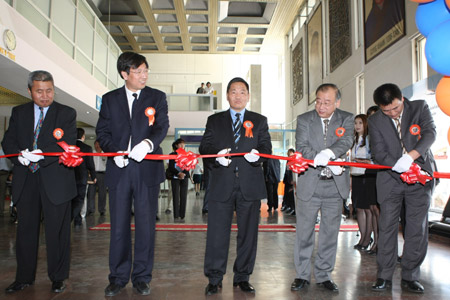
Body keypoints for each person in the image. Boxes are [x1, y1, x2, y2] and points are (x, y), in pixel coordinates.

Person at [96, 52, 169, 297]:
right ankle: (117, 277)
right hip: (119, 169)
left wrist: (147, 144)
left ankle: (141, 277)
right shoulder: (109, 99)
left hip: (146, 168)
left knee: (146, 227)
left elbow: (161, 126)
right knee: (118, 227)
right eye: (138, 71)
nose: (144, 75)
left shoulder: (156, 97)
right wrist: (112, 151)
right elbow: (102, 131)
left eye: (146, 70)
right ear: (124, 74)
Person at [1, 70, 77, 294]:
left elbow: (68, 141)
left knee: (58, 232)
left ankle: (58, 277)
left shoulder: (66, 113)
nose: (45, 96)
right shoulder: (19, 112)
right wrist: (19, 155)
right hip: (27, 179)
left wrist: (41, 153)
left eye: (49, 90)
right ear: (29, 91)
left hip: (55, 179)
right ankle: (24, 277)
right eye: (39, 91)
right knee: (25, 231)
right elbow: (8, 141)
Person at [200, 77, 272, 295]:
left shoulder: (259, 120)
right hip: (222, 183)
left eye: (242, 92)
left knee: (248, 234)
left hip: (249, 185)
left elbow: (266, 146)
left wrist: (258, 156)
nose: (238, 96)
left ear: (248, 96)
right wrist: (216, 158)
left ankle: (242, 276)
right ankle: (214, 277)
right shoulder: (215, 120)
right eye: (233, 91)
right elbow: (205, 147)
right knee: (216, 234)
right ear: (227, 95)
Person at [369, 83, 436, 293]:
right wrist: (399, 166)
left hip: (420, 176)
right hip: (390, 178)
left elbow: (429, 134)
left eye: (395, 109)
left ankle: (411, 275)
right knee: (387, 227)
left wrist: (410, 157)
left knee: (417, 227)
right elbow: (378, 152)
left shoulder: (419, 108)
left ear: (402, 100)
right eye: (386, 110)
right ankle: (384, 275)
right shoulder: (375, 120)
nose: (391, 113)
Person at [291, 83, 353, 292]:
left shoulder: (346, 118)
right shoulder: (304, 120)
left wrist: (330, 154)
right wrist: (320, 156)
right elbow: (302, 146)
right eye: (318, 101)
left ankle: (324, 274)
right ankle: (301, 275)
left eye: (327, 102)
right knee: (304, 232)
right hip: (310, 183)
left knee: (329, 233)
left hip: (334, 186)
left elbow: (346, 140)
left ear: (337, 102)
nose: (321, 106)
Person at [350, 115, 376, 252]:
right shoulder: (354, 140)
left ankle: (367, 237)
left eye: (360, 123)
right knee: (359, 208)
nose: (357, 125)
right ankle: (362, 237)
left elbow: (372, 158)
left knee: (367, 209)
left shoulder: (369, 139)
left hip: (366, 175)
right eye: (355, 123)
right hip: (355, 175)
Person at [72, 128, 96, 227]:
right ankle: (73, 218)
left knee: (72, 199)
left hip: (71, 177)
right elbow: (90, 164)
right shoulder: (87, 148)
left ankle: (77, 220)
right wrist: (94, 176)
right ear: (83, 136)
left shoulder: (70, 147)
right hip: (82, 177)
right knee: (80, 199)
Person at [168, 138, 190, 221]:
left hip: (184, 177)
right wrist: (178, 173)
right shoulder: (171, 155)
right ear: (176, 145)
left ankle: (182, 215)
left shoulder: (187, 154)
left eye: (183, 144)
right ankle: (176, 215)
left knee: (183, 195)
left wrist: (183, 173)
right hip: (175, 177)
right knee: (175, 195)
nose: (182, 146)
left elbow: (189, 165)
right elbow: (170, 167)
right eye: (180, 144)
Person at [86, 140, 107, 216]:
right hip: (93, 174)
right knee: (91, 192)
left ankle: (102, 209)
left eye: (98, 144)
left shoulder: (105, 153)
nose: (97, 146)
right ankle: (90, 209)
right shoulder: (92, 153)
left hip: (102, 174)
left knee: (102, 193)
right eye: (96, 144)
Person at [281, 148, 296, 215]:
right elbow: (286, 171)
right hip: (288, 180)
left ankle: (293, 208)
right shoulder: (288, 161)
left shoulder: (295, 161)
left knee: (292, 195)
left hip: (293, 180)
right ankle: (288, 206)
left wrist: (293, 180)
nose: (290, 155)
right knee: (287, 194)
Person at [0, 147, 12, 216]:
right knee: (9, 193)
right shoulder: (8, 152)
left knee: (2, 193)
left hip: (4, 173)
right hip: (7, 174)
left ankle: (1, 211)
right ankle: (11, 211)